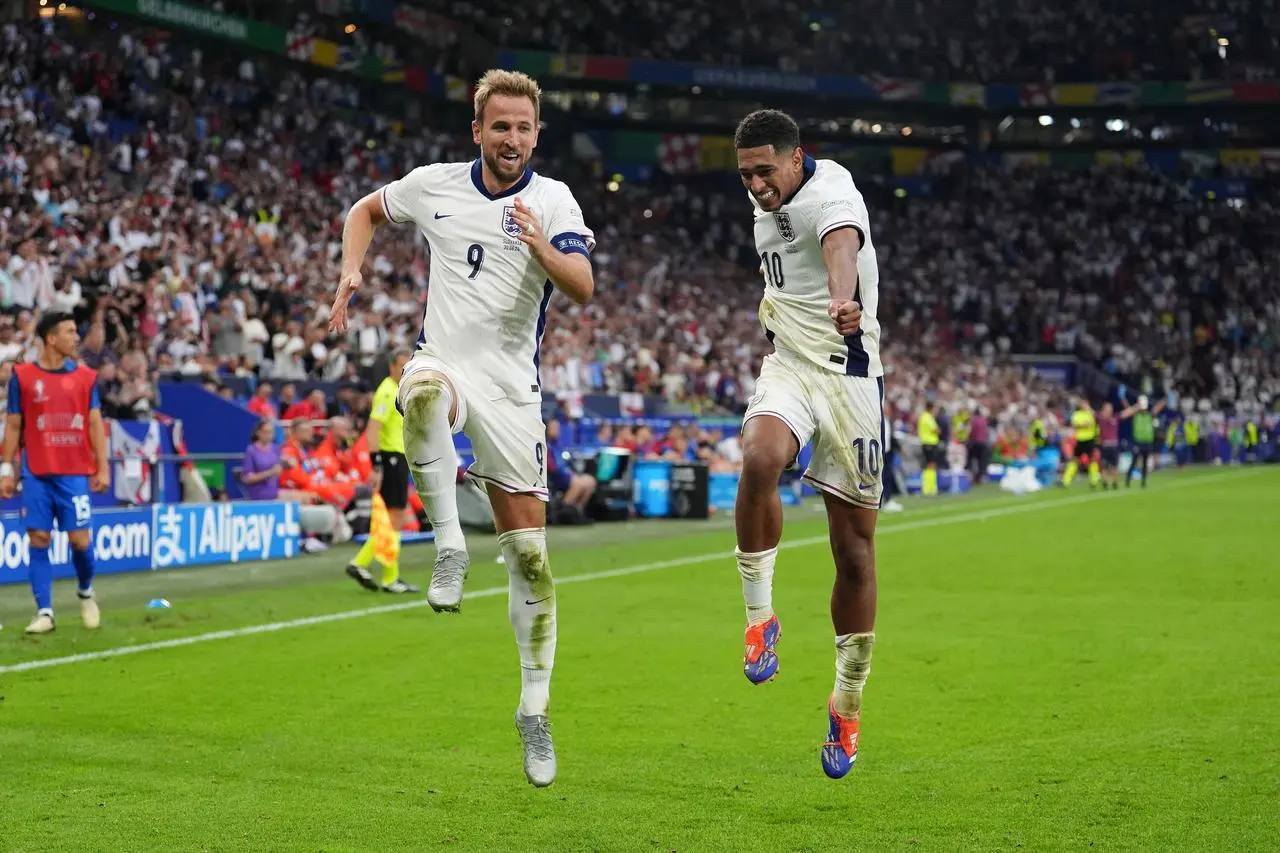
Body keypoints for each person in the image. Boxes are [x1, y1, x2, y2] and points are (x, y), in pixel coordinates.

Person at [327, 69, 595, 788]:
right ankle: (448, 546)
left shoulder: (554, 199)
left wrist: (542, 248)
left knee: (533, 560)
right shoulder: (435, 184)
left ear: (537, 134)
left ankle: (533, 710)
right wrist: (352, 271)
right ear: (476, 129)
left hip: (512, 389)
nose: (512, 138)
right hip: (443, 361)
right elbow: (364, 211)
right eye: (499, 125)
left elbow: (584, 284)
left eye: (524, 128)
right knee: (418, 399)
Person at [730, 109, 882, 779]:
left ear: (797, 158)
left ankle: (846, 703)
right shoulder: (763, 196)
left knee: (853, 554)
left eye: (766, 170)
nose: (757, 184)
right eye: (746, 173)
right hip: (789, 362)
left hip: (849, 373)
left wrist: (845, 301)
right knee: (760, 456)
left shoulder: (834, 191)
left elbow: (840, 245)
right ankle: (759, 618)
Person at [0, 312, 109, 634]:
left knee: (80, 541)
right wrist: (6, 470)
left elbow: (94, 424)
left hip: (74, 472)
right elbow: (14, 425)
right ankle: (45, 612)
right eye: (70, 332)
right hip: (36, 471)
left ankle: (86, 591)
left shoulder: (86, 377)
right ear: (50, 338)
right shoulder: (22, 376)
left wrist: (101, 466)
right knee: (39, 537)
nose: (76, 338)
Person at [345, 349, 420, 593]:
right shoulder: (387, 392)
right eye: (401, 365)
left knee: (391, 519)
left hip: (397, 458)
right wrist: (377, 463)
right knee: (394, 519)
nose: (405, 369)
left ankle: (364, 564)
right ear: (391, 367)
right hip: (391, 459)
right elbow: (373, 429)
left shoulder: (397, 390)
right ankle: (387, 576)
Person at [1120, 395, 1165, 487]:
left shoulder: (1149, 415)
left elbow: (1157, 408)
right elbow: (1128, 409)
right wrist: (1123, 398)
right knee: (1134, 461)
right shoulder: (1136, 415)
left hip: (1147, 442)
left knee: (1145, 463)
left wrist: (1164, 400)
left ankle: (1143, 481)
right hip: (1138, 441)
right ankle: (1128, 480)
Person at [1062, 397, 1101, 489]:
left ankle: (1094, 480)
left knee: (1092, 460)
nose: (1084, 405)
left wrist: (1083, 425)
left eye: (1085, 403)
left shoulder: (1091, 413)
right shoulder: (1077, 414)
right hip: (1080, 440)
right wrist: (1083, 425)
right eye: (1082, 404)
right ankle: (1066, 480)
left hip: (1090, 440)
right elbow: (1075, 424)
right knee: (1074, 460)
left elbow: (1092, 423)